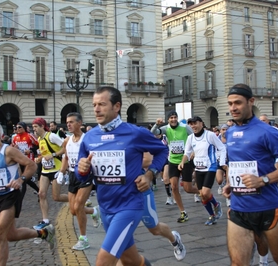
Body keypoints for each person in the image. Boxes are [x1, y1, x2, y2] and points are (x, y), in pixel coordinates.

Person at [76, 86, 168, 266]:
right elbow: (82, 177)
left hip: (129, 206)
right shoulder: (89, 137)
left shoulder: (135, 133)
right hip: (105, 207)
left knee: (103, 262)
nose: (96, 109)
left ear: (116, 106)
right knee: (131, 261)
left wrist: (150, 175)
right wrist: (82, 169)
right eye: (94, 104)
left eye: (102, 104)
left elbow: (163, 151)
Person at [222, 84, 278, 266]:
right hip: (239, 208)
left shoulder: (267, 132)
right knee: (238, 263)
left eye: (237, 103)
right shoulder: (229, 133)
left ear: (251, 102)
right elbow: (235, 163)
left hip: (268, 208)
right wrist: (231, 183)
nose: (233, 108)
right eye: (230, 104)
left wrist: (263, 180)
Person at [0, 120, 55, 266]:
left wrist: (21, 180)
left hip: (11, 195)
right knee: (11, 235)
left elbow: (31, 165)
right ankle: (44, 233)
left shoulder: (8, 151)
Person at [56, 112, 100, 251]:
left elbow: (95, 156)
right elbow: (66, 158)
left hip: (86, 175)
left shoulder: (87, 139)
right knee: (73, 210)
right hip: (73, 175)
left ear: (80, 123)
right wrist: (61, 173)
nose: (68, 124)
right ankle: (93, 211)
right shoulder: (67, 140)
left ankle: (83, 239)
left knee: (79, 206)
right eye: (67, 122)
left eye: (71, 122)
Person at [150, 111, 200, 223]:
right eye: (171, 118)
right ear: (168, 120)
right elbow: (153, 132)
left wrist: (194, 151)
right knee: (174, 187)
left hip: (185, 160)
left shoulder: (185, 127)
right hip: (172, 161)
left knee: (188, 188)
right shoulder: (165, 128)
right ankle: (183, 212)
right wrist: (157, 124)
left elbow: (195, 137)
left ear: (177, 118)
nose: (173, 119)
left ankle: (202, 192)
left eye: (175, 117)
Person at [179, 116, 226, 226]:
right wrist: (182, 162)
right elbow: (187, 152)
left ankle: (216, 205)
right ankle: (212, 215)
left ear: (201, 123)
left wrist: (222, 162)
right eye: (191, 124)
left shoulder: (209, 135)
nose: (193, 126)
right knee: (202, 195)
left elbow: (222, 148)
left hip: (210, 167)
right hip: (198, 168)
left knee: (205, 193)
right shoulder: (190, 138)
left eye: (195, 123)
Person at [32, 118, 66, 230]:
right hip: (45, 170)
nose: (34, 129)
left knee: (56, 197)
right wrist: (40, 158)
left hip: (57, 169)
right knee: (41, 194)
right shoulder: (39, 139)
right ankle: (45, 220)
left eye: (36, 126)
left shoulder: (51, 136)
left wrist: (54, 154)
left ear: (42, 126)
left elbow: (65, 148)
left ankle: (76, 198)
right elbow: (45, 153)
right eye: (33, 127)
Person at [11, 121, 40, 198]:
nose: (17, 129)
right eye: (16, 127)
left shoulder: (29, 136)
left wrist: (30, 150)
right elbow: (12, 147)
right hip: (20, 160)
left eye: (19, 127)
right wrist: (14, 148)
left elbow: (38, 145)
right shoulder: (15, 137)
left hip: (29, 160)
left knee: (24, 179)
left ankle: (21, 198)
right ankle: (38, 190)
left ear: (24, 128)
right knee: (25, 179)